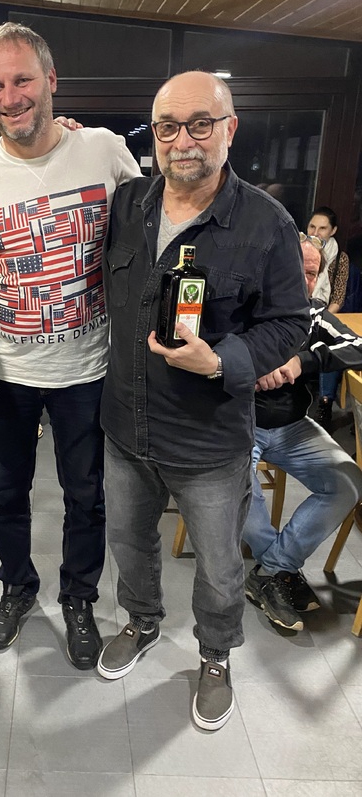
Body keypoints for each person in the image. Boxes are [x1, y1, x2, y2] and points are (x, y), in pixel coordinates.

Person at [97, 71, 310, 730]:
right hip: (125, 427)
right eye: (168, 126)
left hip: (209, 442)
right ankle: (142, 621)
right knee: (128, 543)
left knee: (219, 568)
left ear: (230, 129)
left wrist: (221, 361)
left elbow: (289, 323)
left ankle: (215, 655)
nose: (182, 140)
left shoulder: (266, 223)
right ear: (154, 134)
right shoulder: (128, 204)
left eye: (200, 124)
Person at [0, 22, 141, 670]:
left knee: (86, 495)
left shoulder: (105, 152)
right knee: (7, 493)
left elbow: (146, 234)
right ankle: (18, 587)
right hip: (3, 372)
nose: (10, 96)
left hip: (89, 368)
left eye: (22, 79)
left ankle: (78, 598)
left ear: (51, 80)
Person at [244, 233, 362, 630]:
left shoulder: (313, 313)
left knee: (348, 482)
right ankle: (279, 572)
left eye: (311, 273)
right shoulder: (243, 308)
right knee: (234, 491)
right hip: (238, 425)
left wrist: (303, 361)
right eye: (297, 269)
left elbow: (358, 346)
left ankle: (271, 570)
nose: (304, 280)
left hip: (293, 425)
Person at [306, 207, 349, 430]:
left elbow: (338, 298)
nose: (316, 233)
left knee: (330, 343)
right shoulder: (299, 250)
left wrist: (321, 318)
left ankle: (325, 404)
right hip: (298, 307)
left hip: (324, 310)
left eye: (322, 228)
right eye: (312, 226)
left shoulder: (340, 258)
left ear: (333, 231)